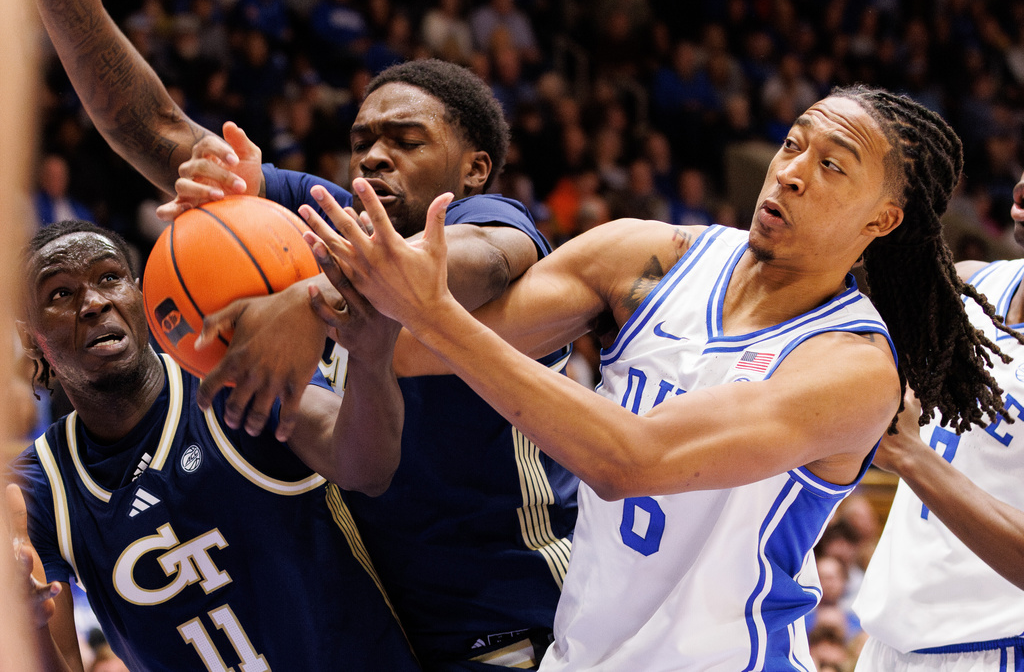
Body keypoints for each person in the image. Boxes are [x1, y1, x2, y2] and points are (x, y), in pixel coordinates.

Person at [300, 86, 1015, 670]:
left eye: (834, 166)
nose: (792, 170)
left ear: (882, 218)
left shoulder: (852, 367)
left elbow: (631, 460)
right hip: (583, 652)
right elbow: (409, 351)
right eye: (794, 143)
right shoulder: (646, 256)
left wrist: (433, 314)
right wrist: (288, 268)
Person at [32, 0, 576, 668]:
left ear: (473, 166)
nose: (375, 156)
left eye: (406, 140)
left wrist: (310, 300)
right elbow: (151, 127)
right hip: (415, 643)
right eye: (362, 142)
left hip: (531, 628)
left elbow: (465, 266)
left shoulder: (488, 222)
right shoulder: (327, 221)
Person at [8, 220, 418, 671]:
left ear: (141, 297)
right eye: (60, 294)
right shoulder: (37, 487)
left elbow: (369, 469)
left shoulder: (232, 373)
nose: (93, 302)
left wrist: (372, 358)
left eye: (109, 277)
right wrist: (29, 622)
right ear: (31, 339)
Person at [852, 170, 1024, 671]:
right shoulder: (970, 284)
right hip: (888, 638)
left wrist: (910, 455)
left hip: (995, 647)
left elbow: (909, 452)